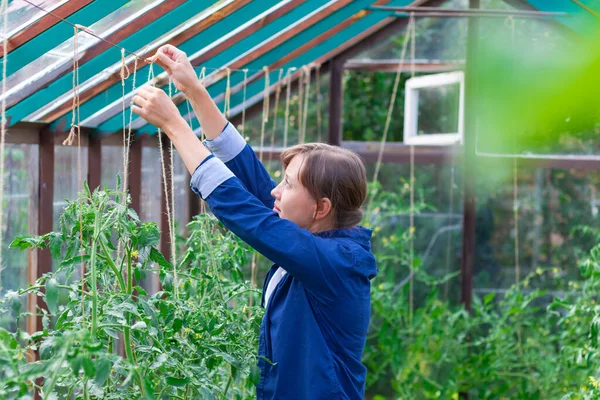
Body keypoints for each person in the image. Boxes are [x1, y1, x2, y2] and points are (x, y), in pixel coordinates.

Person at [132, 44, 378, 400]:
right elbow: (255, 185)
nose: (276, 191)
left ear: (321, 208)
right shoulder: (316, 239)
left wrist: (175, 126)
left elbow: (248, 215)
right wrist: (194, 91)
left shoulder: (336, 263)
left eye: (289, 184)